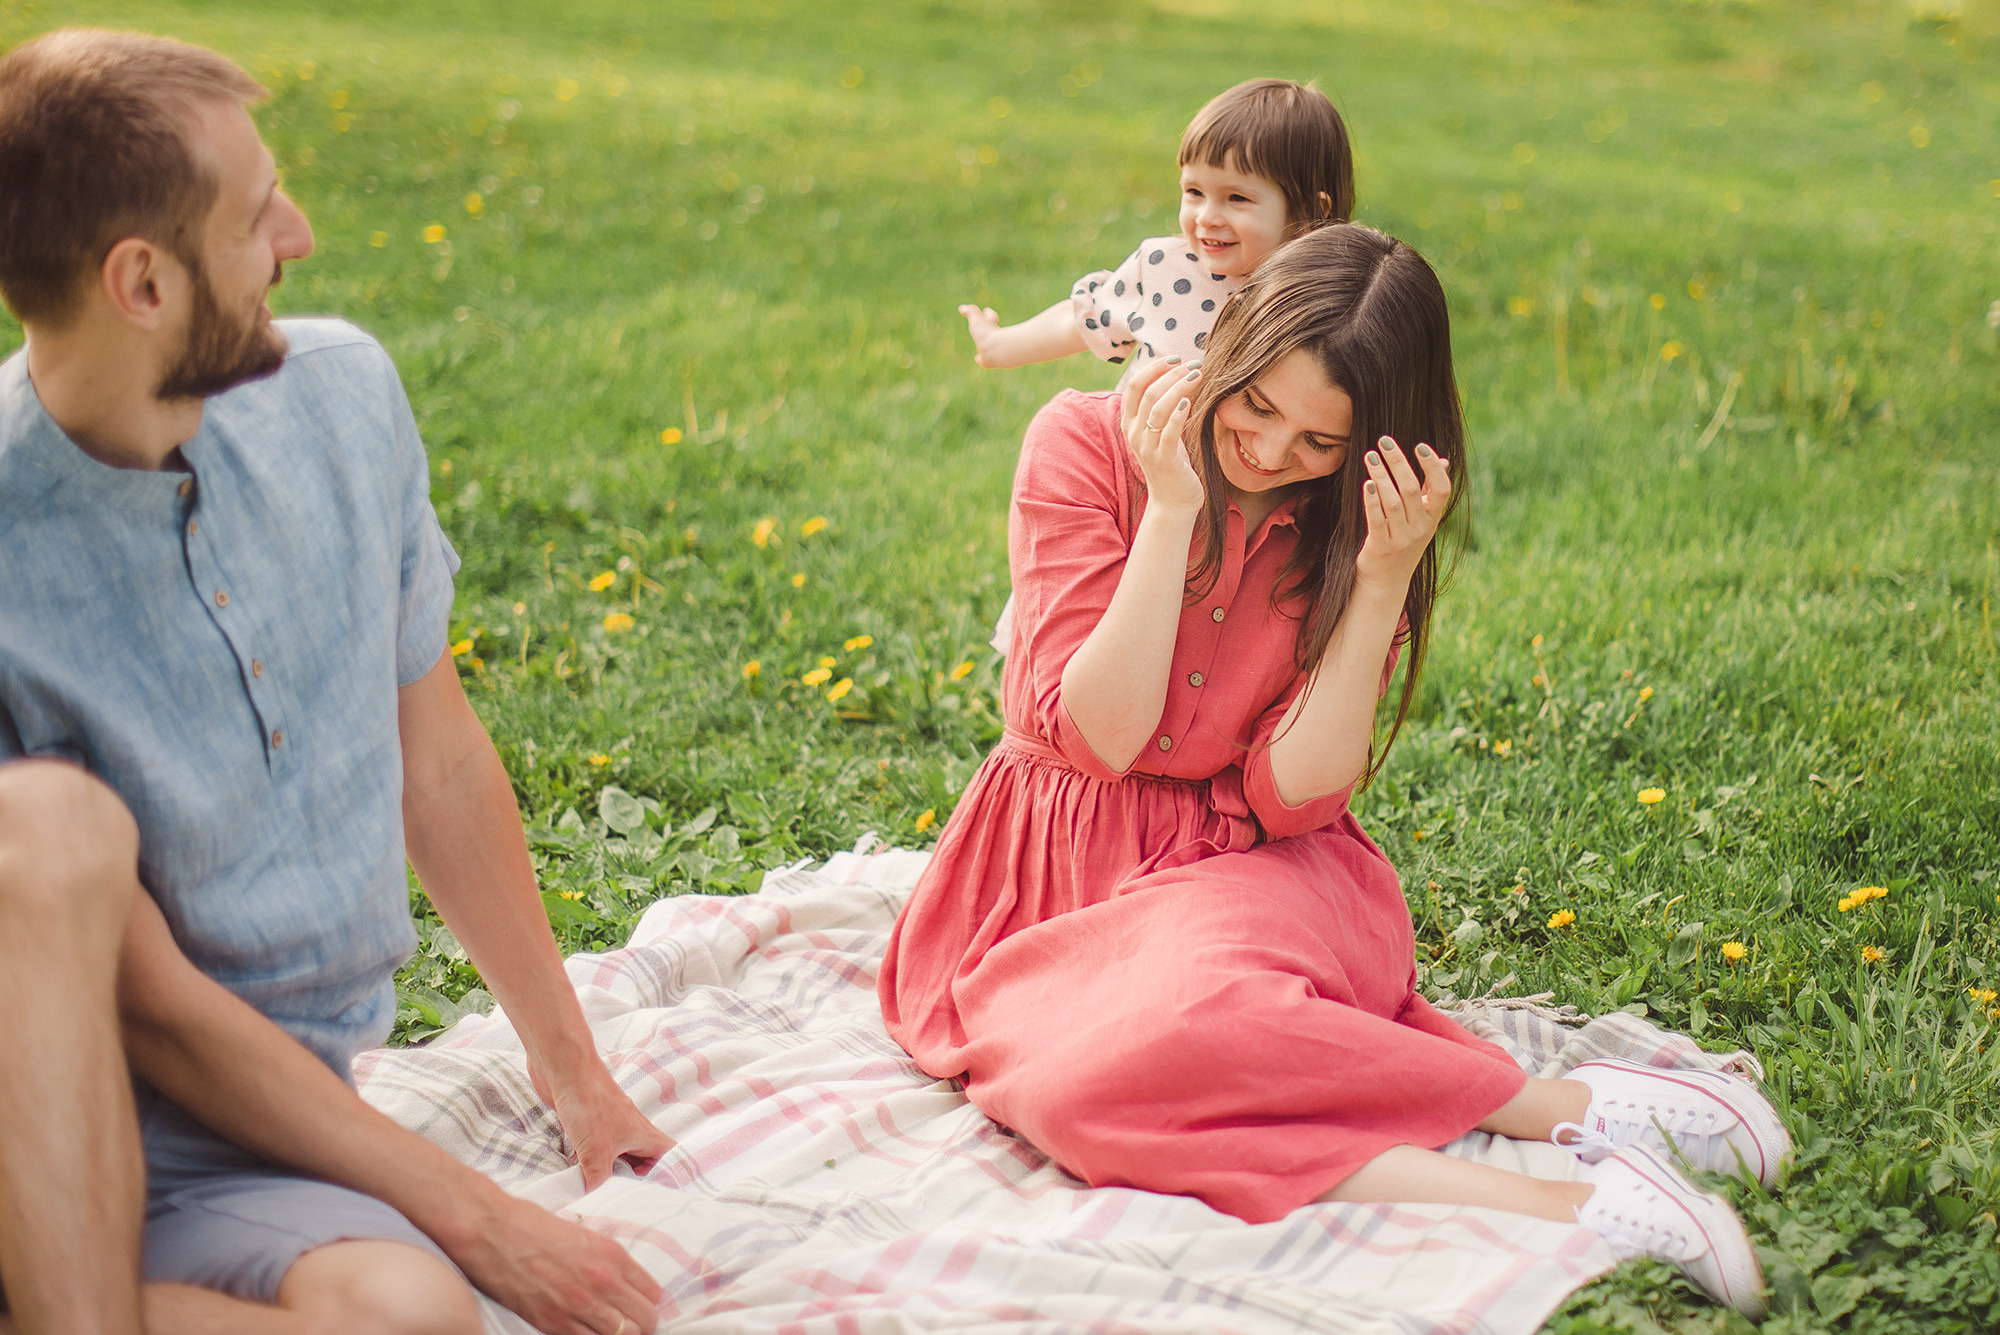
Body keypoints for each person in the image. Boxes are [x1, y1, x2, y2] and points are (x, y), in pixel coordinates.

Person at [880, 225, 1788, 1318]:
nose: (1268, 454)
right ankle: (1579, 1172)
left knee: (1184, 1027)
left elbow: (1291, 795)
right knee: (1076, 1090)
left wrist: (1378, 581)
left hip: (1263, 871)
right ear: (1227, 343)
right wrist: (1171, 510)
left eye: (1319, 441)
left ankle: (1573, 1114)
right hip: (1055, 879)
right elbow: (1101, 739)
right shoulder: (1080, 445)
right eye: (1253, 405)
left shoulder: (1357, 525)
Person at [0, 29, 670, 1335]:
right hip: (54, 1085)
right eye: (255, 215)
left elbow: (443, 759)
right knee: (49, 823)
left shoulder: (344, 395)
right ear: (140, 280)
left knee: (409, 1314)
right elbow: (151, 1005)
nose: (296, 234)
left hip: (241, 1134)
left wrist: (572, 1067)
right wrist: (483, 1214)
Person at [962, 78, 1356, 655]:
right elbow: (1085, 319)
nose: (1206, 217)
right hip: (1142, 481)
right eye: (1193, 192)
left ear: (1310, 213)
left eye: (1237, 199)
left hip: (1252, 502)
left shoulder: (1322, 298)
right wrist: (1001, 346)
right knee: (1088, 622)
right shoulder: (1169, 269)